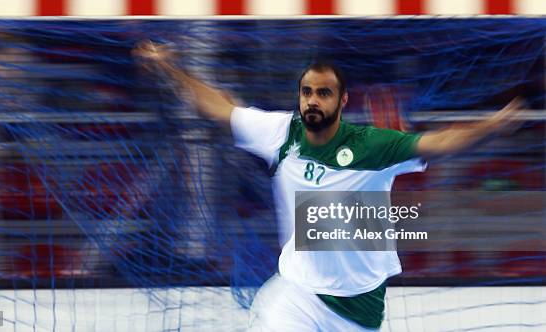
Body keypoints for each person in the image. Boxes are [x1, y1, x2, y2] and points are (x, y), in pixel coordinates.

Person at [133, 41, 523, 331]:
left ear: (342, 100)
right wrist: (171, 68)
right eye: (307, 92)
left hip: (359, 306)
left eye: (323, 93)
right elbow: (219, 107)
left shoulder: (372, 145)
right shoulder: (281, 133)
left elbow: (439, 144)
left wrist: (492, 126)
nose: (313, 101)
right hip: (297, 292)